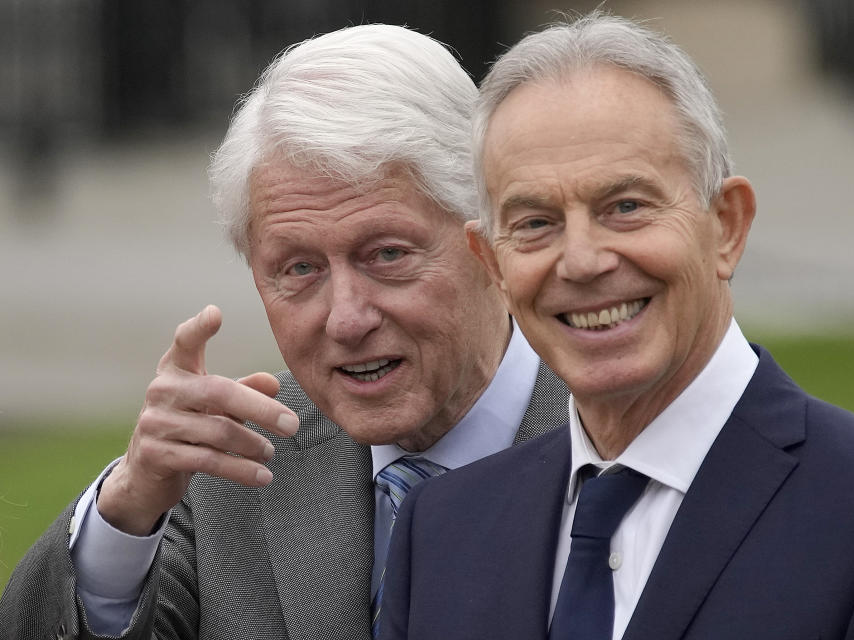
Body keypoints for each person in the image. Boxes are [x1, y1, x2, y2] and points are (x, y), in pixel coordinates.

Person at [379, 13, 854, 640]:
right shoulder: (440, 530)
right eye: (536, 223)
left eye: (625, 207)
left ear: (728, 227)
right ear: (491, 262)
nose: (581, 260)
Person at [0, 24, 568, 640]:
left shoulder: (623, 437)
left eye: (386, 254)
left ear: (487, 238)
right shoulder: (234, 467)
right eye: (299, 269)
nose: (347, 318)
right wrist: (130, 505)